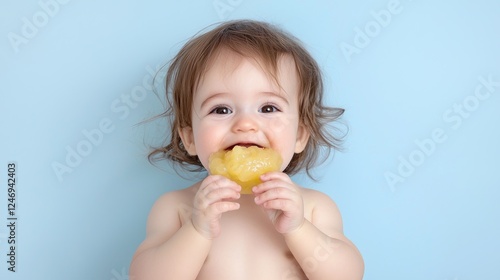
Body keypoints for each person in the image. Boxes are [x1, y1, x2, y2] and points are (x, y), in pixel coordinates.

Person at [129, 19, 364, 280]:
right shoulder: (177, 208)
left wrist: (298, 228)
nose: (245, 124)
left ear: (299, 135)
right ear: (189, 138)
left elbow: (347, 275)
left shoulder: (312, 207)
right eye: (221, 109)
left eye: (268, 108)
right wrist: (197, 229)